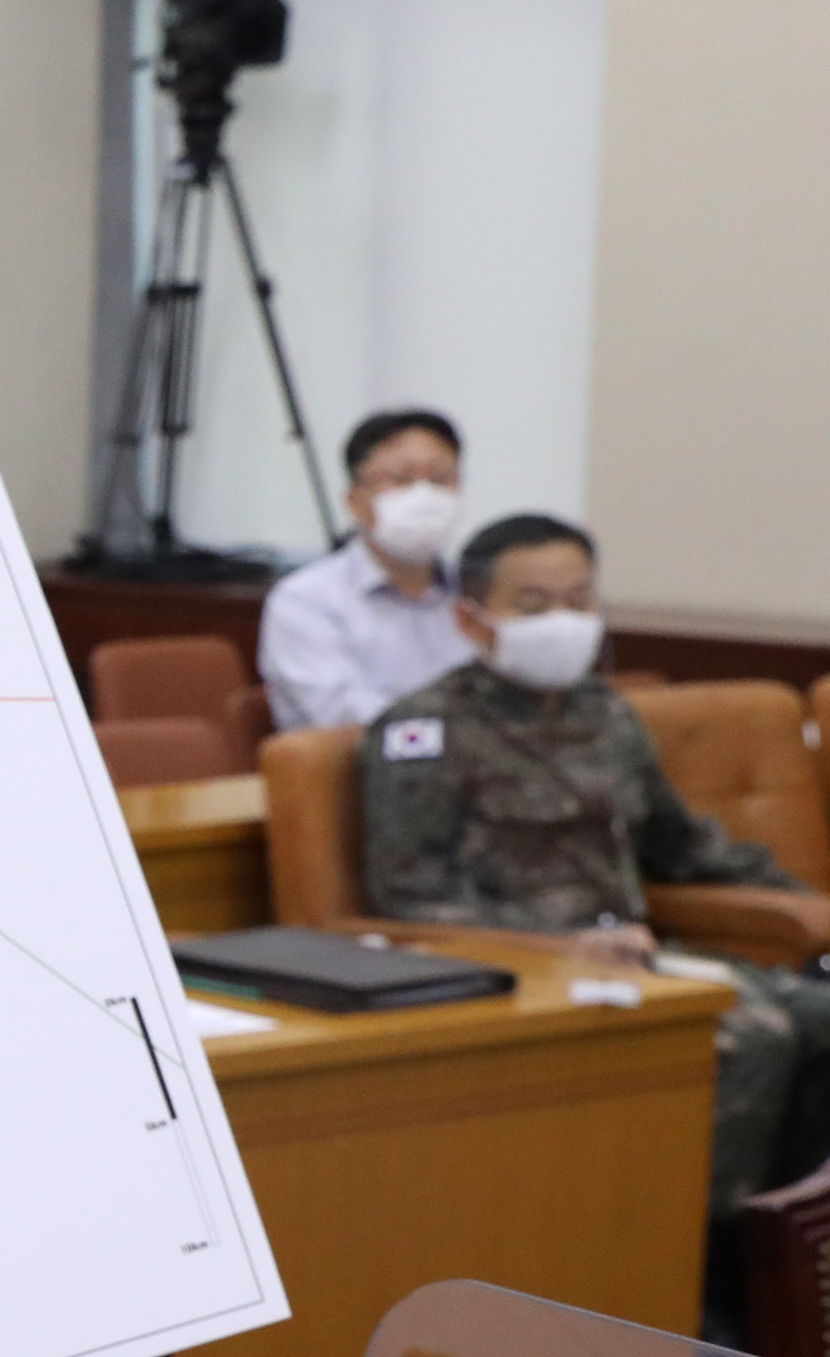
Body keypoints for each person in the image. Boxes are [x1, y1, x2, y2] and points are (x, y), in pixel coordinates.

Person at [361, 512, 830, 1217]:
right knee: (753, 1035)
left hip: (645, 958)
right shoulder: (423, 731)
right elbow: (409, 896)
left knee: (822, 1016)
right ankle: (697, 1256)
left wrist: (807, 902)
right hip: (528, 970)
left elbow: (688, 848)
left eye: (578, 600)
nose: (562, 620)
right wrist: (560, 945)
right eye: (534, 605)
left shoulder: (608, 714)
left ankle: (784, 1244)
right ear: (470, 619)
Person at [258, 409, 475, 733]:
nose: (424, 495)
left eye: (441, 479)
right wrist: (466, 734)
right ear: (355, 501)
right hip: (360, 762)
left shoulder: (478, 592)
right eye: (401, 480)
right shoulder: (306, 600)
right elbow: (341, 714)